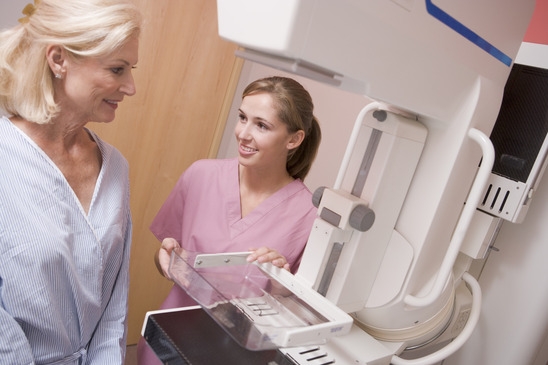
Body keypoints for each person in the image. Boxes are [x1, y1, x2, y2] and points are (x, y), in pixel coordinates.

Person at [137, 76, 322, 364]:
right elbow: (166, 260)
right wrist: (167, 260)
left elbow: (301, 316)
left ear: (294, 139)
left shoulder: (308, 217)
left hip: (237, 356)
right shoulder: (201, 175)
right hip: (167, 345)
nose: (243, 134)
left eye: (261, 125)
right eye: (242, 118)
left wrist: (278, 284)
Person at [0, 0, 141, 364]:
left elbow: (114, 305)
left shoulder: (115, 168)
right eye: (117, 69)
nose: (131, 86)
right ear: (59, 60)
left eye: (131, 69)